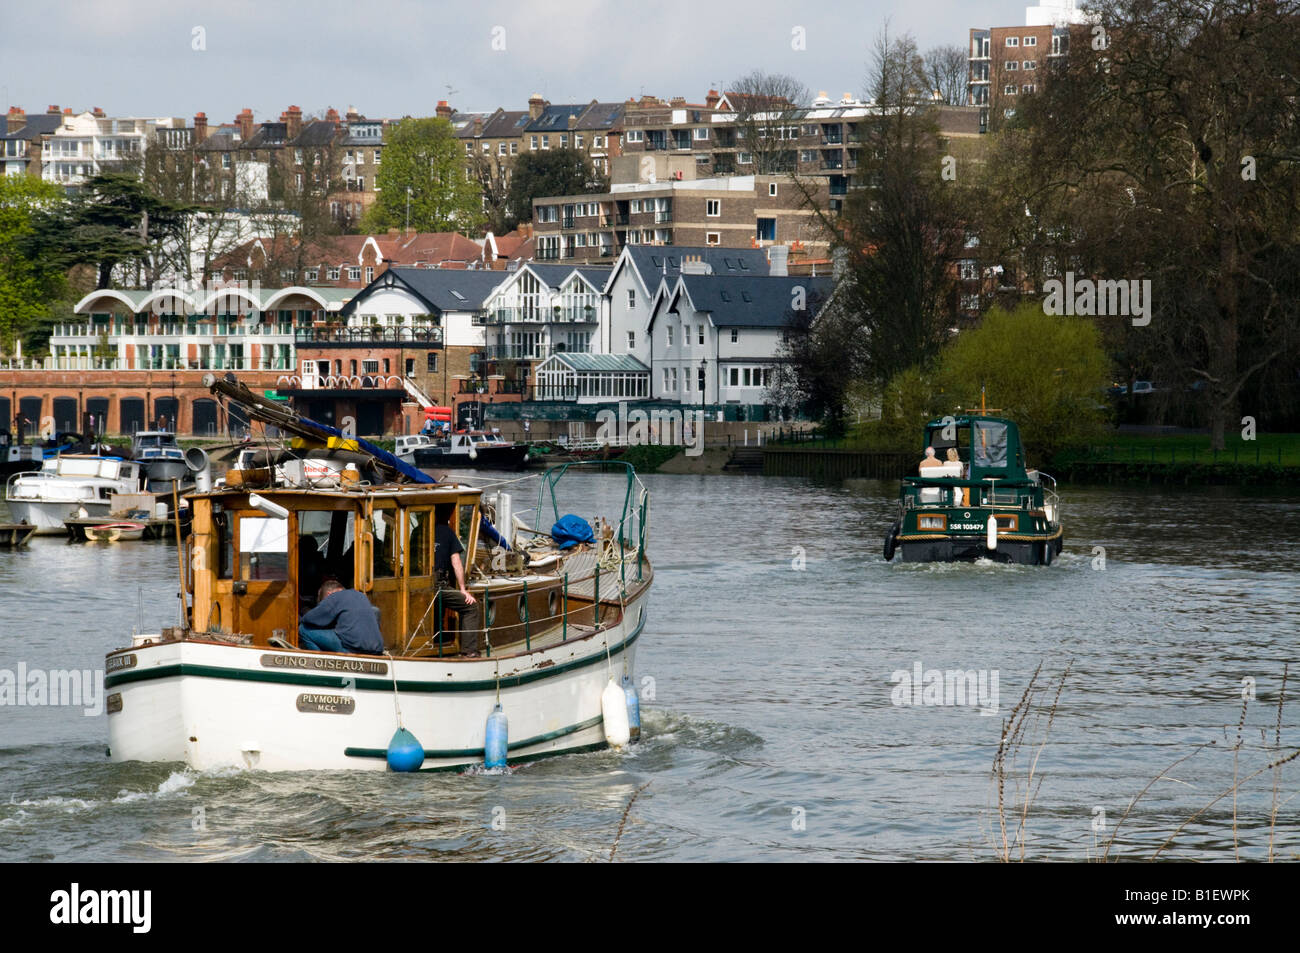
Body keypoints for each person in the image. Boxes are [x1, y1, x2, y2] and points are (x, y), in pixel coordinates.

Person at [434, 507, 481, 655]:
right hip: (437, 586)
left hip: (418, 586)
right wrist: (462, 588)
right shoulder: (447, 532)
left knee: (437, 609)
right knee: (471, 607)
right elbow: (456, 561)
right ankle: (469, 651)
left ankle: (436, 640)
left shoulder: (418, 531)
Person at [298, 579, 384, 655]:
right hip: (376, 650)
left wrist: (301, 615)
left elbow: (310, 618)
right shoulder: (360, 595)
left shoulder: (334, 597)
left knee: (303, 629)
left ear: (328, 594)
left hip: (352, 649)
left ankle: (321, 661)